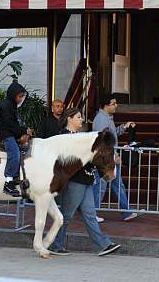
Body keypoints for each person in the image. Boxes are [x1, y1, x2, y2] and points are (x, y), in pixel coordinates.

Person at [49, 107, 121, 257]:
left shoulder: (80, 136)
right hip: (74, 181)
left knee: (89, 214)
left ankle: (104, 245)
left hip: (86, 179)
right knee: (66, 215)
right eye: (78, 117)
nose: (81, 119)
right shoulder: (64, 136)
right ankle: (55, 244)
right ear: (69, 119)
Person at [92, 94, 138, 222]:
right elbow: (103, 141)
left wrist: (124, 127)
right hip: (106, 160)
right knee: (101, 186)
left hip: (109, 159)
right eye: (113, 103)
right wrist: (114, 157)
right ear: (106, 105)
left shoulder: (107, 118)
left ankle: (126, 212)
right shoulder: (101, 119)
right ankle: (92, 213)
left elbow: (112, 136)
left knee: (116, 185)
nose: (116, 105)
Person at [0, 80, 32, 197]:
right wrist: (23, 130)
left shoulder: (11, 105)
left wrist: (24, 129)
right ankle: (8, 182)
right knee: (15, 153)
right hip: (6, 134)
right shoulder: (6, 105)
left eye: (22, 97)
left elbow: (14, 124)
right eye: (20, 96)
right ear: (13, 94)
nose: (21, 99)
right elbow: (10, 124)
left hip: (10, 131)